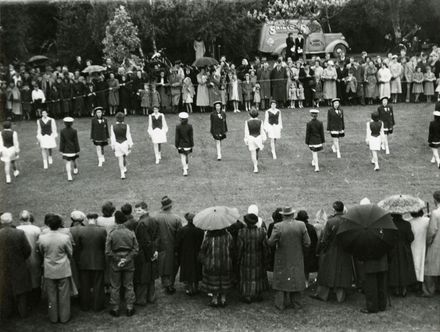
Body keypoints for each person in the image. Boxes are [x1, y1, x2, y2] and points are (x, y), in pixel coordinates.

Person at [268, 206, 311, 310]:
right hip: (297, 257)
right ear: (293, 215)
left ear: (283, 215)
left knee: (281, 280)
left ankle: (280, 304)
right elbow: (307, 242)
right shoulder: (301, 225)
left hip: (282, 257)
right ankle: (297, 303)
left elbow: (270, 242)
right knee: (295, 278)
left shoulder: (278, 226)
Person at [311, 201, 353, 303]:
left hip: (331, 250)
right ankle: (340, 296)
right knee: (342, 274)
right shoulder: (348, 220)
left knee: (326, 273)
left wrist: (321, 250)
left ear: (334, 209)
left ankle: (323, 295)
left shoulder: (330, 221)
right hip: (345, 250)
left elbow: (324, 238)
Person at [37, 214, 73, 323]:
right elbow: (70, 253)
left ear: (48, 224)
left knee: (51, 295)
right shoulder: (65, 238)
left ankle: (53, 317)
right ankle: (64, 317)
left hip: (49, 269)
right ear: (59, 224)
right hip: (63, 269)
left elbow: (41, 252)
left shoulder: (42, 238)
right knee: (64, 295)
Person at [105, 211, 139, 317]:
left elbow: (108, 251)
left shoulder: (112, 233)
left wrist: (118, 259)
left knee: (115, 286)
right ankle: (129, 308)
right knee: (129, 285)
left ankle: (115, 309)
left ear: (115, 221)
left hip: (115, 263)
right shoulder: (131, 232)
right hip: (128, 262)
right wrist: (126, 259)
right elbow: (136, 249)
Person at [0, 212, 32, 320]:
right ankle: (23, 313)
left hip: (3, 266)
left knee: (5, 290)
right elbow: (27, 250)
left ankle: (7, 314)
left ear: (1, 222)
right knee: (21, 290)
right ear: (12, 221)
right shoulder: (20, 233)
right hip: (18, 264)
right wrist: (21, 259)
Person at [75, 212, 107, 311]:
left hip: (84, 261)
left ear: (87, 219)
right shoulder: (102, 231)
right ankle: (97, 306)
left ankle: (85, 306)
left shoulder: (81, 231)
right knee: (98, 285)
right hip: (98, 260)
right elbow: (105, 246)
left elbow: (78, 247)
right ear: (96, 219)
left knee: (85, 285)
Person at [151, 196, 183, 294]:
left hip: (160, 246)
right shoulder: (177, 218)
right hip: (173, 246)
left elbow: (153, 233)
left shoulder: (155, 218)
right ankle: (170, 284)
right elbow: (180, 235)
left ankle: (165, 283)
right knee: (172, 266)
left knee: (163, 265)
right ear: (171, 206)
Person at [237, 213, 269, 303]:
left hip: (246, 258)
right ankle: (258, 294)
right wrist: (265, 258)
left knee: (246, 277)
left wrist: (238, 259)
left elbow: (240, 248)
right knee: (258, 276)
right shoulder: (262, 232)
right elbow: (266, 247)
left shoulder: (242, 233)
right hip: (258, 258)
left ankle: (247, 295)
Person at [199, 227, 234, 307]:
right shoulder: (228, 236)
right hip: (226, 263)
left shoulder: (209, 237)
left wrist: (204, 260)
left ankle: (214, 300)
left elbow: (203, 249)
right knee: (224, 280)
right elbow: (232, 247)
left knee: (213, 281)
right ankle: (223, 299)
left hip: (213, 263)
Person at [133, 202, 159, 305]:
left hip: (144, 254)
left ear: (145, 209)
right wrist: (156, 251)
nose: (137, 212)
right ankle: (151, 297)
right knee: (151, 276)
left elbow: (145, 242)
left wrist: (151, 254)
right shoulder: (153, 220)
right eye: (136, 210)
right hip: (152, 252)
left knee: (142, 277)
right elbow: (158, 236)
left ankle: (141, 299)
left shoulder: (141, 223)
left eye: (139, 210)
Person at [388, 213, 417, 297]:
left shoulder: (390, 224)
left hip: (393, 248)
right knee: (404, 267)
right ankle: (404, 288)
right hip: (404, 248)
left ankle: (396, 289)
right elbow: (411, 237)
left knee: (395, 268)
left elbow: (388, 238)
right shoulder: (407, 224)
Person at [175, 212, 204, 296]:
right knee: (197, 270)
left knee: (188, 271)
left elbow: (178, 243)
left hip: (186, 254)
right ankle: (196, 287)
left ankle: (189, 288)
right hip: (197, 252)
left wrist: (177, 252)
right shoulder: (200, 230)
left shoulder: (182, 230)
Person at [17, 210, 42, 306]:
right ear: (29, 218)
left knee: (25, 277)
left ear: (20, 219)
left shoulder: (17, 229)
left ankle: (26, 299)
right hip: (35, 256)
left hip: (23, 258)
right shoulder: (36, 229)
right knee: (36, 277)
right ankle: (36, 300)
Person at [422, 191, 440, 296]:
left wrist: (428, 241)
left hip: (437, 243)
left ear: (435, 200)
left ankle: (429, 290)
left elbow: (432, 231)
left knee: (430, 268)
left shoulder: (435, 213)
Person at [295, 210, 319, 287]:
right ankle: (305, 282)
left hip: (298, 250)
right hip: (308, 251)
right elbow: (315, 241)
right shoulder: (311, 227)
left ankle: (299, 282)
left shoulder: (295, 227)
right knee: (306, 268)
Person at [408, 209, 429, 288]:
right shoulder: (427, 220)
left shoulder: (410, 222)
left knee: (414, 264)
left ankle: (414, 283)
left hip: (413, 245)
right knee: (422, 263)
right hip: (423, 244)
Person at [110, 112, 133, 179]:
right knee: (124, 156)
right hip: (125, 143)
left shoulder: (113, 127)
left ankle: (122, 173)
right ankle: (124, 167)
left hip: (117, 144)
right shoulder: (126, 126)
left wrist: (113, 146)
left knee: (120, 159)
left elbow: (113, 137)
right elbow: (128, 135)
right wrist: (129, 145)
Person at [244, 108, 267, 173]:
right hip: (258, 138)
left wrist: (246, 140)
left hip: (251, 138)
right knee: (256, 151)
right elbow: (262, 131)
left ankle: (255, 166)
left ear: (249, 114)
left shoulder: (247, 122)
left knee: (253, 152)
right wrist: (264, 138)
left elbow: (246, 132)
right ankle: (255, 164)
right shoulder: (260, 121)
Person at [59, 117, 80, 182]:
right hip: (73, 149)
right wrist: (77, 150)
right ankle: (75, 168)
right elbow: (76, 141)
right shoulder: (74, 131)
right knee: (74, 160)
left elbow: (62, 141)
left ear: (64, 123)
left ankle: (69, 176)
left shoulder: (62, 131)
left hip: (66, 150)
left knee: (67, 163)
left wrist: (61, 150)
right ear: (72, 123)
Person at [175, 112, 194, 176]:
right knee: (186, 155)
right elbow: (191, 136)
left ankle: (185, 170)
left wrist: (176, 145)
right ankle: (186, 166)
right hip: (188, 144)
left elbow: (177, 137)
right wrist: (192, 144)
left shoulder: (178, 127)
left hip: (181, 144)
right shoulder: (190, 126)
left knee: (182, 157)